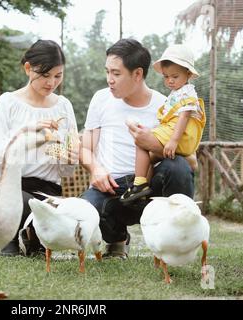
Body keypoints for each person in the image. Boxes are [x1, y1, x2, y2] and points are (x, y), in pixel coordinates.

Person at [80, 39, 195, 259]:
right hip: (112, 188)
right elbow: (85, 148)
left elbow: (192, 161)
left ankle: (175, 240)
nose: (109, 80)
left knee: (177, 166)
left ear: (137, 74)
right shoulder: (101, 99)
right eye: (107, 72)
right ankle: (117, 240)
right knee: (88, 208)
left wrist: (151, 144)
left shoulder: (166, 105)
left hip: (149, 188)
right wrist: (95, 169)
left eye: (116, 73)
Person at [0, 40, 78, 257]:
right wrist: (26, 134)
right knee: (29, 205)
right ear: (28, 68)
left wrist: (70, 158)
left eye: (58, 75)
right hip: (5, 186)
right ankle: (21, 237)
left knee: (57, 209)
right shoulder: (7, 103)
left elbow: (66, 172)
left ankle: (26, 236)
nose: (51, 82)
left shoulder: (63, 106)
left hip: (46, 190)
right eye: (45, 75)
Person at [120, 44, 206, 204]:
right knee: (151, 157)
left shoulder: (187, 93)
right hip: (175, 134)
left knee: (141, 141)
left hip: (179, 136)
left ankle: (139, 183)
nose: (170, 81)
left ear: (188, 74)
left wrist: (173, 141)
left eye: (175, 76)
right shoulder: (177, 93)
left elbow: (184, 117)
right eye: (166, 77)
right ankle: (143, 187)